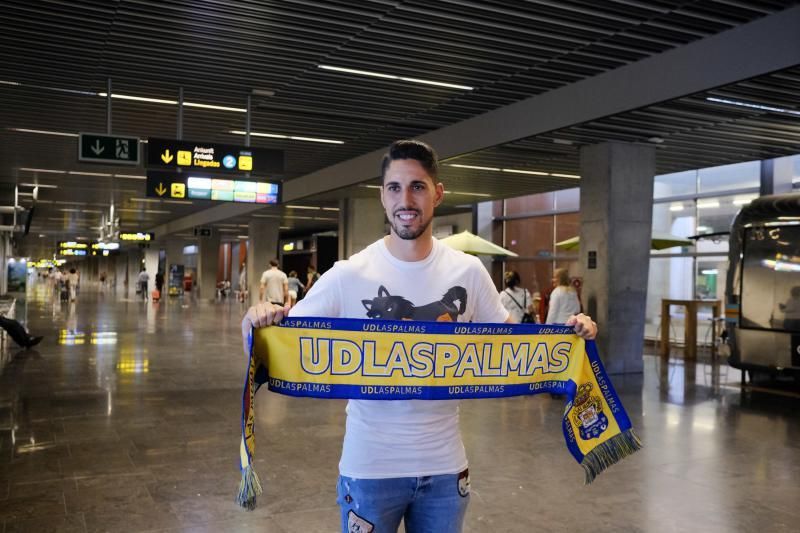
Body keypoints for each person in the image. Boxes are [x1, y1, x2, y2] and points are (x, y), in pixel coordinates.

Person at [242, 140, 597, 533]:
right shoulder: (348, 273)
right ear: (381, 196)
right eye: (394, 187)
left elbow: (513, 347)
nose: (405, 199)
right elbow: (279, 340)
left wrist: (569, 337)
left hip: (444, 469)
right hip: (369, 469)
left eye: (417, 186)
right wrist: (257, 319)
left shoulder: (469, 272)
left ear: (438, 193)